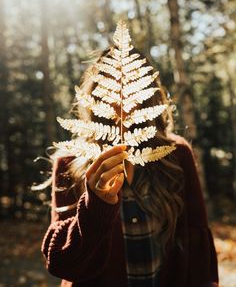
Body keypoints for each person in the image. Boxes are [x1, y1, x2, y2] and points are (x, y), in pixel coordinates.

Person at [41, 47, 219, 287]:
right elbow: (64, 263)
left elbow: (197, 241)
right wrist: (95, 206)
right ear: (96, 94)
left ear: (148, 94)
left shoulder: (176, 155)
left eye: (133, 86)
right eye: (110, 87)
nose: (122, 102)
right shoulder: (70, 162)